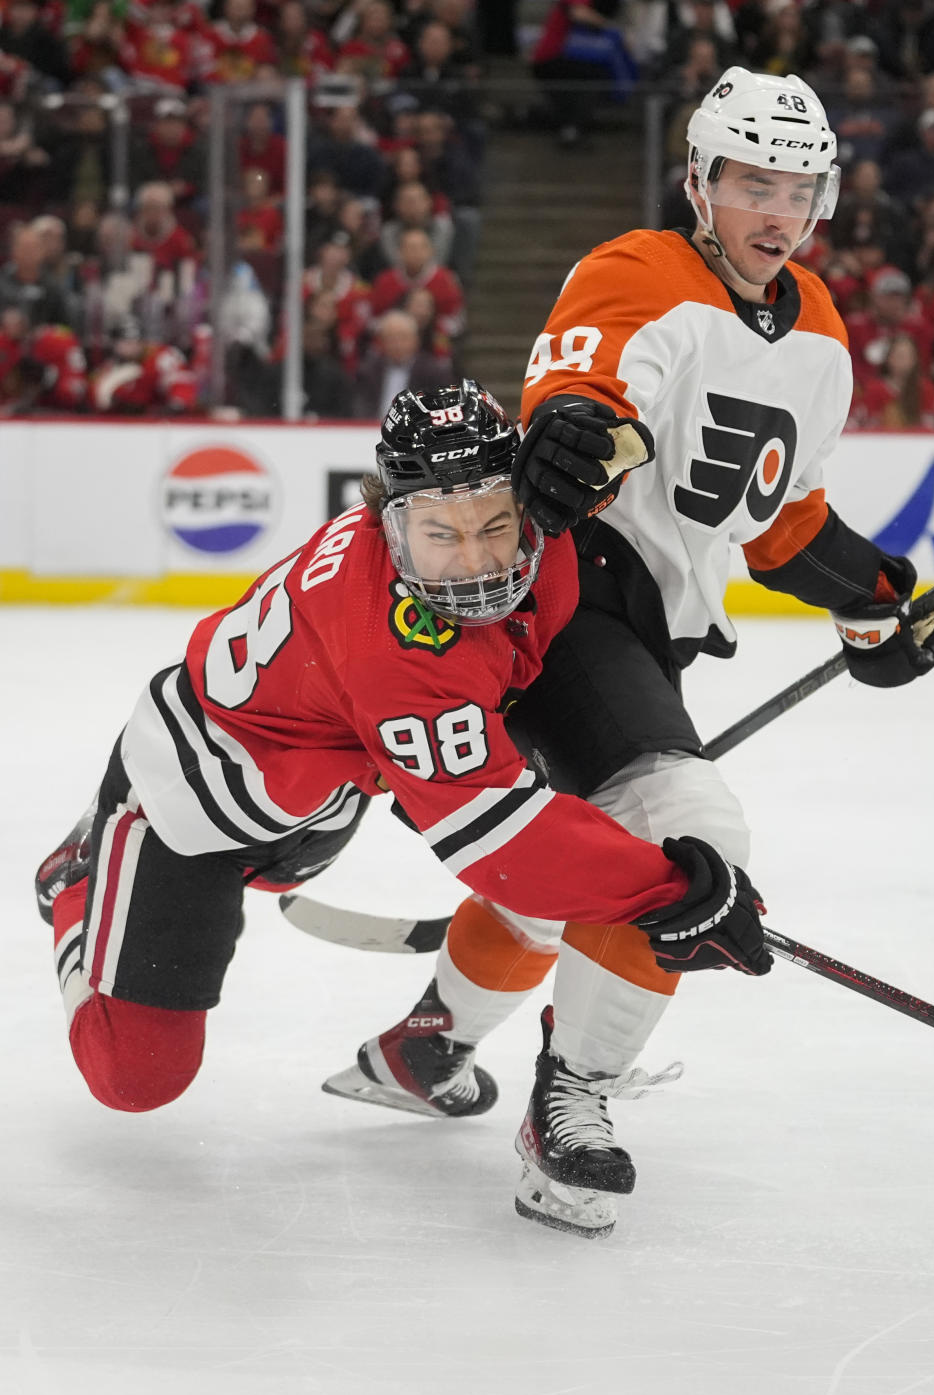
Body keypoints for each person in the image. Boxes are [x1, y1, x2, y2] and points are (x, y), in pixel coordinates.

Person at [328, 68, 934, 1240]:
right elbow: (585, 391)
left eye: (797, 187)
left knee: (572, 872)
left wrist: (875, 602)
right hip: (569, 604)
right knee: (688, 833)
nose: (774, 209)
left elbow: (780, 523)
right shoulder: (638, 269)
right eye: (750, 182)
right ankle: (573, 1102)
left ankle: (425, 1049)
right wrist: (581, 427)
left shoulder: (818, 329)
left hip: (647, 627)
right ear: (699, 183)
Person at [36, 381, 772, 1212]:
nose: (479, 561)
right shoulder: (391, 643)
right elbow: (506, 851)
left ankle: (424, 1037)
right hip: (193, 800)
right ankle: (78, 880)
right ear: (390, 526)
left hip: (321, 783)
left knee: (282, 875)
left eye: (496, 524)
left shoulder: (545, 535)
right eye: (439, 535)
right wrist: (675, 890)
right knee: (136, 1077)